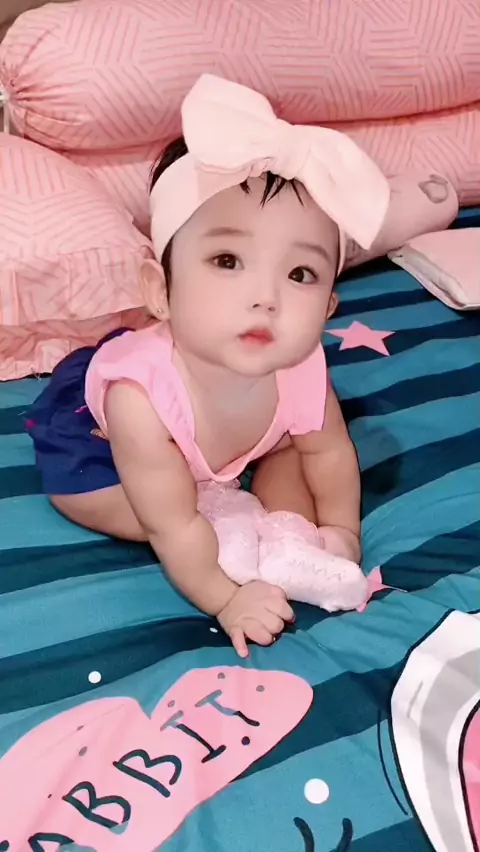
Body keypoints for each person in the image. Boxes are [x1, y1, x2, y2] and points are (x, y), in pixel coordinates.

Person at [26, 74, 389, 657]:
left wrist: (341, 533)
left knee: (294, 449)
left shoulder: (300, 362)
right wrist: (225, 598)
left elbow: (329, 453)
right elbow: (170, 527)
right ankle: (225, 520)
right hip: (99, 441)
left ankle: (286, 537)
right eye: (227, 260)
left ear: (328, 308)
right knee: (132, 506)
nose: (266, 297)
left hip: (223, 437)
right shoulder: (138, 398)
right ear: (161, 291)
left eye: (300, 274)